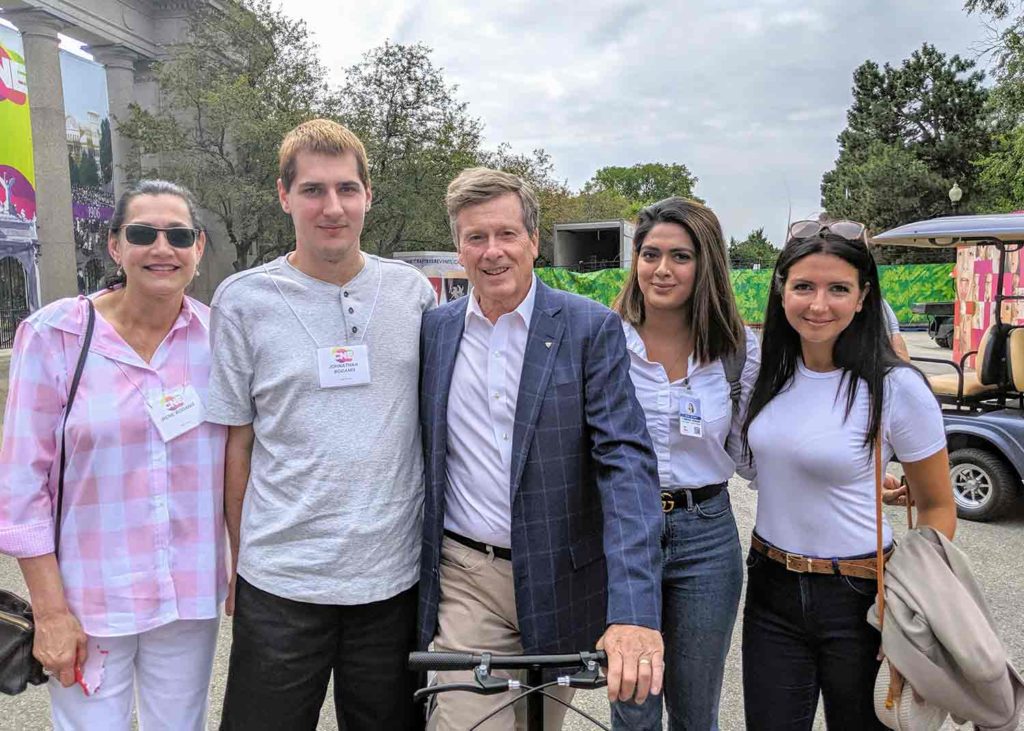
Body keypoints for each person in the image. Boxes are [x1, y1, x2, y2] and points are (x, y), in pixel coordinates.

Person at [418, 167, 665, 730]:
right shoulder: (436, 330)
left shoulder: (588, 329)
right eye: (475, 237)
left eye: (506, 234)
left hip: (560, 578)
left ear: (533, 240)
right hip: (466, 577)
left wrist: (632, 611)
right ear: (458, 246)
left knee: (537, 726)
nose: (492, 251)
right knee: (466, 723)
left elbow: (625, 466)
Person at [207, 119, 435, 730]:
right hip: (282, 580)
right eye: (312, 190)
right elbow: (237, 440)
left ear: (368, 195)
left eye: (346, 189)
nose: (331, 207)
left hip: (391, 581)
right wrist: (238, 554)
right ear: (284, 196)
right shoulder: (243, 300)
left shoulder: (413, 293)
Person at [0, 180, 225, 729]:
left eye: (178, 235)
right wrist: (50, 613)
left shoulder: (220, 338)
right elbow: (21, 487)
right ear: (115, 246)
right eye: (143, 233)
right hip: (88, 601)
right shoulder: (55, 336)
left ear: (197, 247)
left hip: (187, 597)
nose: (161, 248)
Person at [740, 219, 957, 730]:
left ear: (863, 298)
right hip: (770, 585)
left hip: (862, 594)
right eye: (803, 287)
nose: (819, 304)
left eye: (838, 288)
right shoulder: (768, 373)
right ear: (781, 291)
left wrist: (911, 601)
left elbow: (937, 505)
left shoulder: (896, 387)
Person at [610, 197, 761, 730]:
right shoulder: (605, 341)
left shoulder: (739, 351)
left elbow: (752, 455)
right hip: (628, 532)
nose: (662, 270)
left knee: (696, 713)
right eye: (650, 254)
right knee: (633, 706)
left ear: (706, 264)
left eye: (680, 256)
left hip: (707, 534)